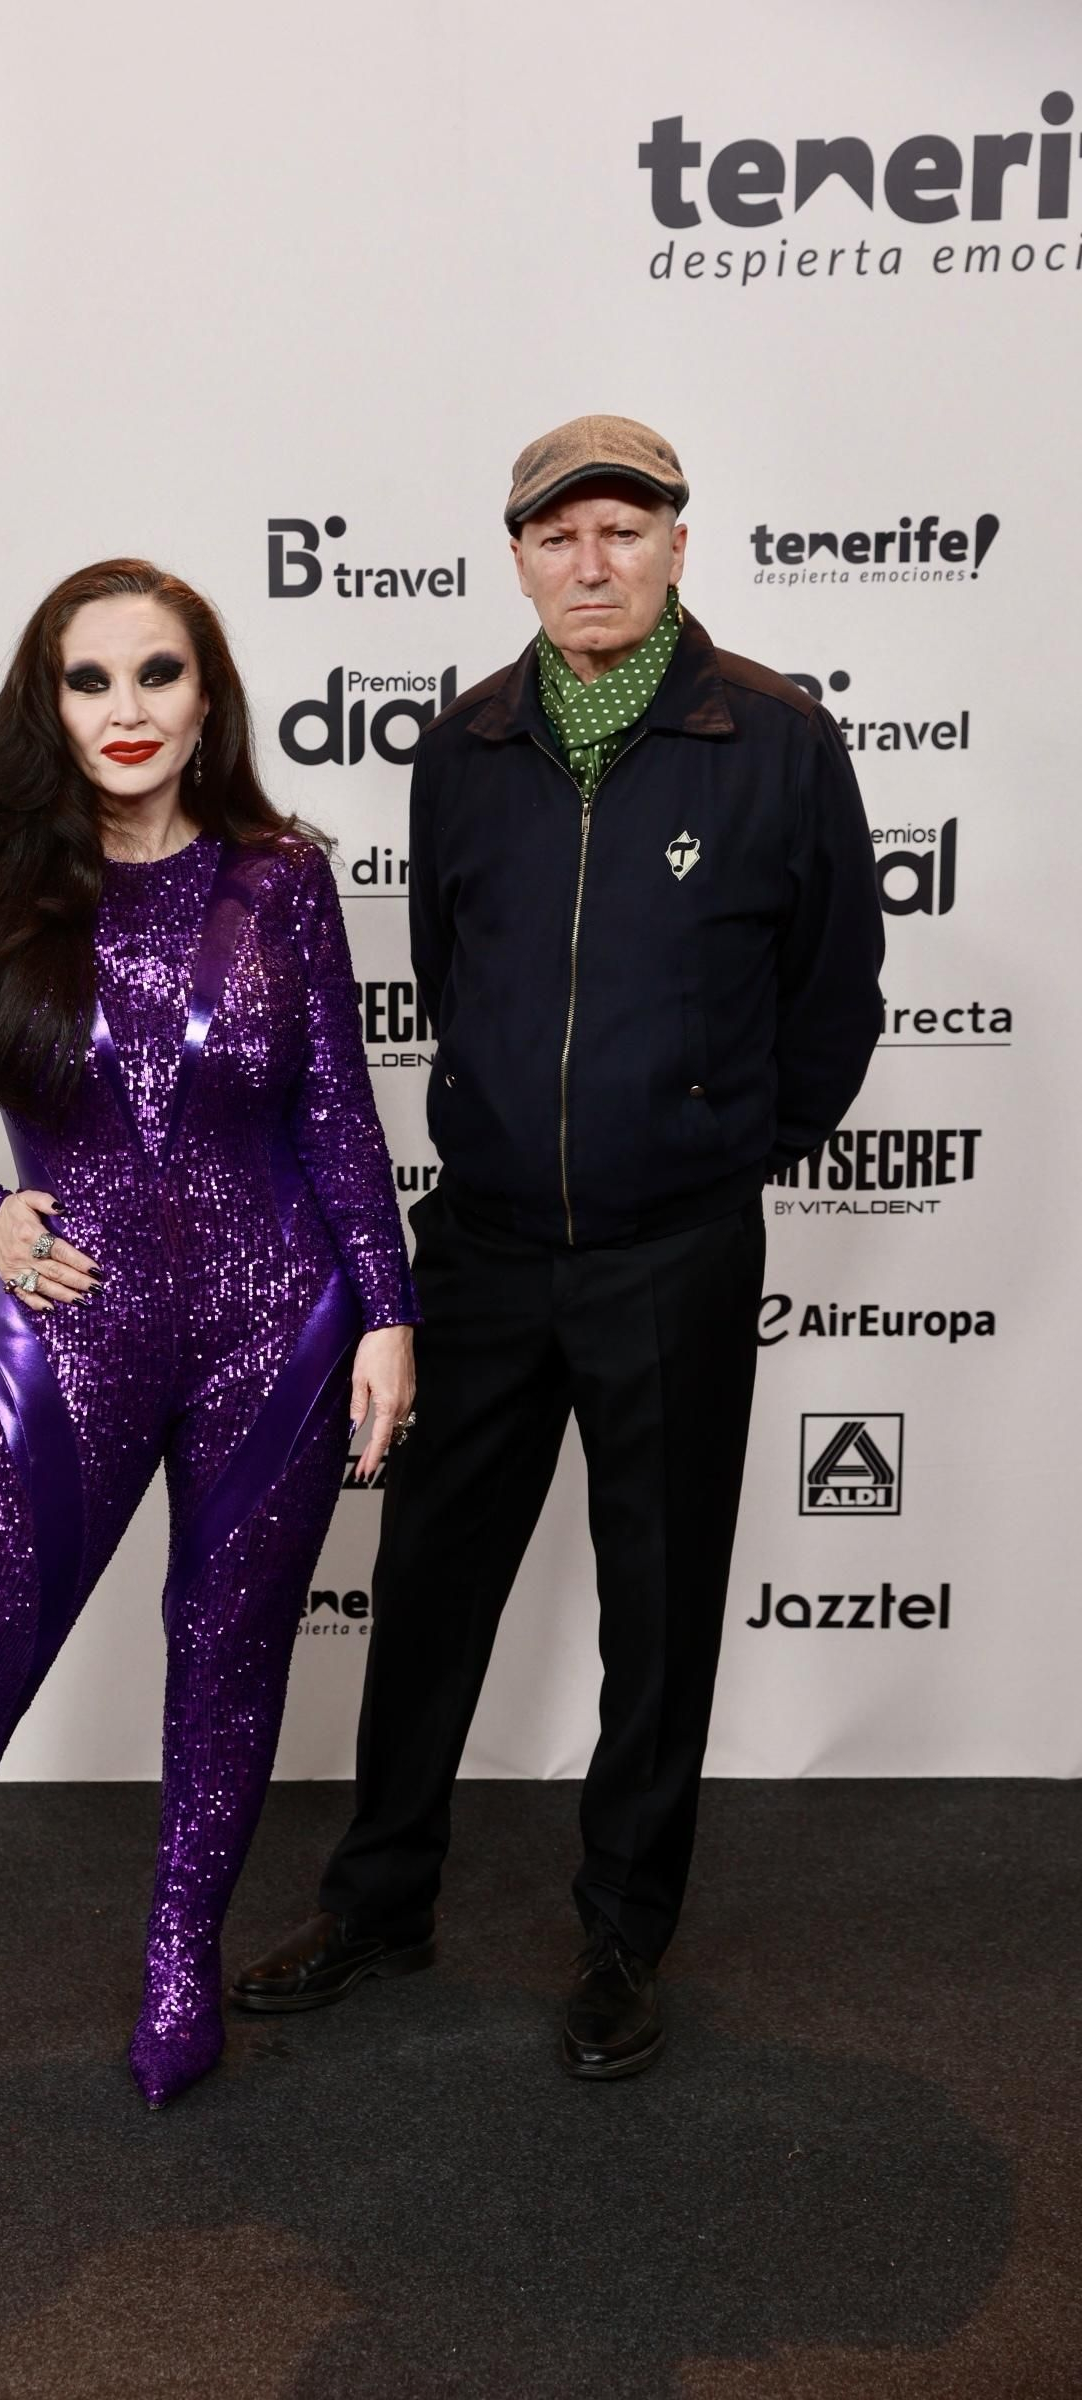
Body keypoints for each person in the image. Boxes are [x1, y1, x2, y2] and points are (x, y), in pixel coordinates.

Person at [234, 416, 884, 2079]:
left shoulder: (777, 738)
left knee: (659, 1610)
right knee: (426, 1587)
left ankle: (620, 1935)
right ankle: (382, 1901)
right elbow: (450, 975)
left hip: (675, 1249)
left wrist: (714, 1150)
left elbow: (833, 1001)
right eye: (558, 536)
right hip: (489, 1246)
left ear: (677, 545)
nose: (591, 564)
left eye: (623, 531)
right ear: (518, 556)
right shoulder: (463, 746)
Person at [0, 559, 416, 2110]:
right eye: (90, 678)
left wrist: (388, 1308)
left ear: (208, 696)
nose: (127, 709)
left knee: (229, 1657)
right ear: (49, 703)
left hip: (279, 1329)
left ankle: (181, 1957)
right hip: (79, 1325)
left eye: (157, 674)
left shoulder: (281, 879)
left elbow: (338, 1113)